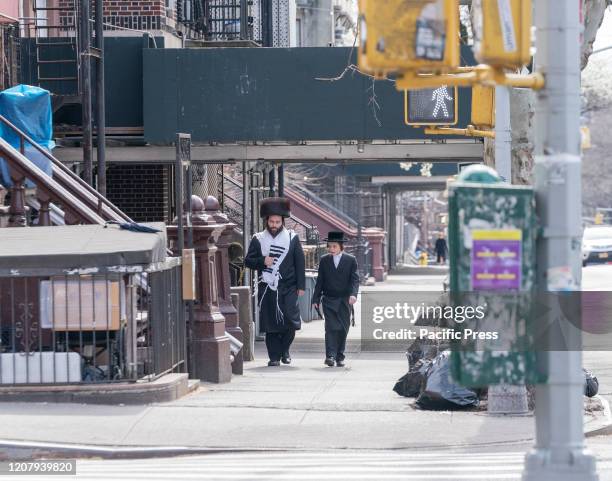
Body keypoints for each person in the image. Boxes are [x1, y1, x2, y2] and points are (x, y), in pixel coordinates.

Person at [245, 197, 306, 367]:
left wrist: (301, 286)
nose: (274, 224)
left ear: (282, 221)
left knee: (290, 323)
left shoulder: (292, 238)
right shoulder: (258, 239)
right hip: (267, 287)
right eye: (271, 221)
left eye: (277, 221)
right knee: (270, 324)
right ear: (266, 221)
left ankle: (284, 350)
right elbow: (248, 261)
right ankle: (273, 357)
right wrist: (262, 261)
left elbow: (299, 262)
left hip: (289, 287)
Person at [311, 231, 359, 367]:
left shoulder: (350, 260)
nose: (331, 249)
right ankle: (330, 356)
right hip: (329, 299)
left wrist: (353, 294)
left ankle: (340, 356)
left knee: (343, 328)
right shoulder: (324, 260)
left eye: (334, 247)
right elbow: (320, 281)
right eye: (329, 246)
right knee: (331, 327)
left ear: (341, 247)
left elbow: (355, 280)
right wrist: (315, 298)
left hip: (345, 300)